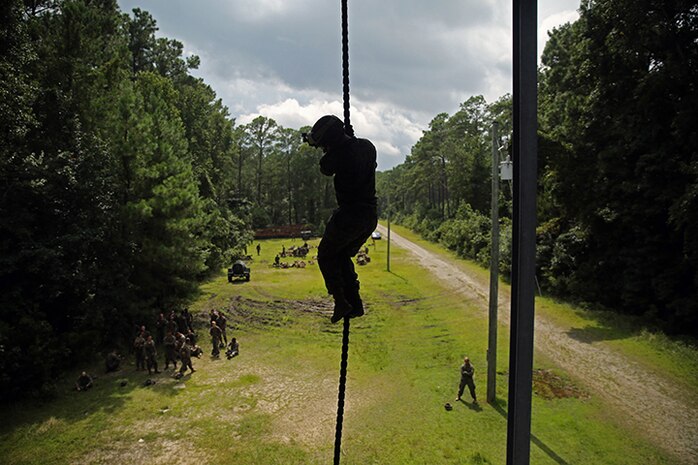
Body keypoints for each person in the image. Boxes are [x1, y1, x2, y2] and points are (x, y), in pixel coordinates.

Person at [303, 115, 378, 323]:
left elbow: (326, 167)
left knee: (326, 255)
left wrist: (330, 145)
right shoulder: (367, 147)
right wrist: (345, 139)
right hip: (369, 216)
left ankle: (340, 300)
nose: (323, 148)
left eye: (324, 144)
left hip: (350, 215)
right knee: (342, 255)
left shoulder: (335, 156)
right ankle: (354, 303)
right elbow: (353, 151)